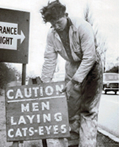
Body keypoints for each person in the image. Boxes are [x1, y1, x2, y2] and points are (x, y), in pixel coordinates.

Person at [40, 0, 103, 146]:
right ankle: (73, 143)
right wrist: (44, 85)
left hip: (92, 67)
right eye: (52, 24)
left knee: (88, 111)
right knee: (70, 110)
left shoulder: (82, 26)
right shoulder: (52, 35)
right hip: (72, 67)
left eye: (58, 22)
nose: (56, 27)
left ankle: (87, 144)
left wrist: (74, 82)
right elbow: (49, 61)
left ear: (66, 15)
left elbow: (90, 57)